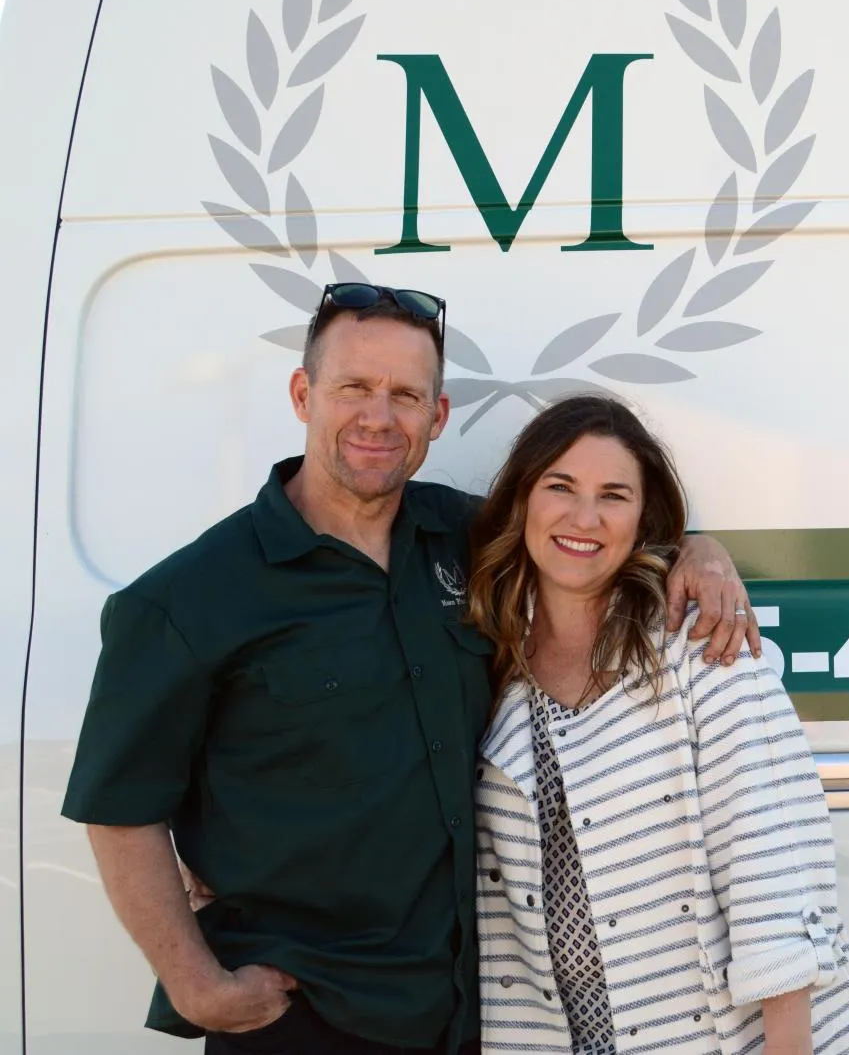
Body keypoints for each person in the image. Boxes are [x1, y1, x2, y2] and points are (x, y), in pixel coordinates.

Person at [62, 284, 759, 1055]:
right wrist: (197, 984)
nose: (378, 416)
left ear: (438, 416)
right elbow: (121, 808)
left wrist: (699, 549)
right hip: (304, 1015)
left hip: (471, 1014)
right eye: (354, 387)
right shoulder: (190, 598)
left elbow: (590, 528)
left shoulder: (469, 537)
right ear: (303, 394)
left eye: (405, 395)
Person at [468, 394, 849, 1055]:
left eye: (614, 495)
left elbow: (773, 864)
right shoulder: (491, 665)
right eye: (560, 486)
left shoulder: (701, 643)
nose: (584, 517)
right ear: (523, 500)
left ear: (642, 517)